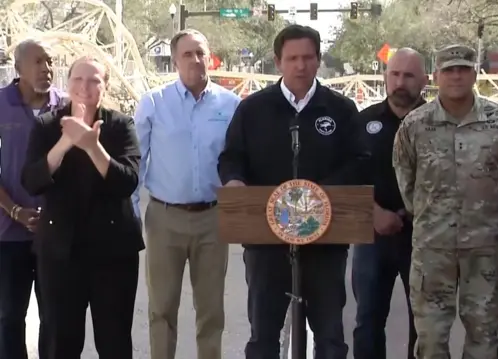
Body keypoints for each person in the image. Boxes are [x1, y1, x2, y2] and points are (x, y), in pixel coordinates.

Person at [218, 24, 370, 359]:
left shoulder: (340, 110)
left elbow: (360, 160)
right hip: (265, 242)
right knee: (264, 337)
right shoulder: (253, 109)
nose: (300, 65)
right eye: (292, 58)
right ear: (278, 62)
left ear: (318, 61)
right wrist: (234, 181)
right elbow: (232, 157)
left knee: (330, 338)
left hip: (326, 241)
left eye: (308, 57)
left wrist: (319, 194)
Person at [392, 44, 498, 359]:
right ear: (435, 76)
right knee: (431, 339)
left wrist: (479, 210)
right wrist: (432, 214)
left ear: (475, 74)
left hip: (484, 248)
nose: (457, 75)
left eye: (463, 68)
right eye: (449, 70)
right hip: (433, 249)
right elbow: (406, 181)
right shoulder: (414, 124)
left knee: (484, 334)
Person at [20, 56, 143, 359]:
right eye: (78, 79)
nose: (85, 87)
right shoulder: (48, 125)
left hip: (113, 253)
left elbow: (127, 181)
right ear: (68, 82)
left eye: (94, 80)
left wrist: (92, 146)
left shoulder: (120, 125)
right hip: (60, 253)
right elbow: (32, 181)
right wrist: (64, 143)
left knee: (114, 341)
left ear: (106, 86)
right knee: (59, 341)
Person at [132, 29, 240, 359]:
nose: (196, 60)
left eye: (201, 53)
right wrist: (133, 213)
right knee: (161, 308)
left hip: (212, 218)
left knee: (210, 310)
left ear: (210, 56)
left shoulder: (231, 104)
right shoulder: (154, 103)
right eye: (188, 54)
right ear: (175, 61)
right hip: (165, 219)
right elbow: (137, 161)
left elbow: (238, 158)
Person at [351, 48, 427, 359]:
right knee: (368, 320)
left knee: (424, 324)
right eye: (394, 74)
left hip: (424, 238)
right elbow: (347, 176)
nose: (400, 82)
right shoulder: (362, 123)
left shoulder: (437, 124)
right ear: (385, 77)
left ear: (423, 80)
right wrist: (374, 213)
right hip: (373, 235)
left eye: (409, 75)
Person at [0, 39, 64, 359]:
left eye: (50, 61)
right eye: (38, 61)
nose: (46, 68)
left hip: (56, 233)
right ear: (19, 68)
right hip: (9, 233)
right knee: (10, 316)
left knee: (55, 317)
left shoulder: (65, 107)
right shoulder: (1, 103)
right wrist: (15, 211)